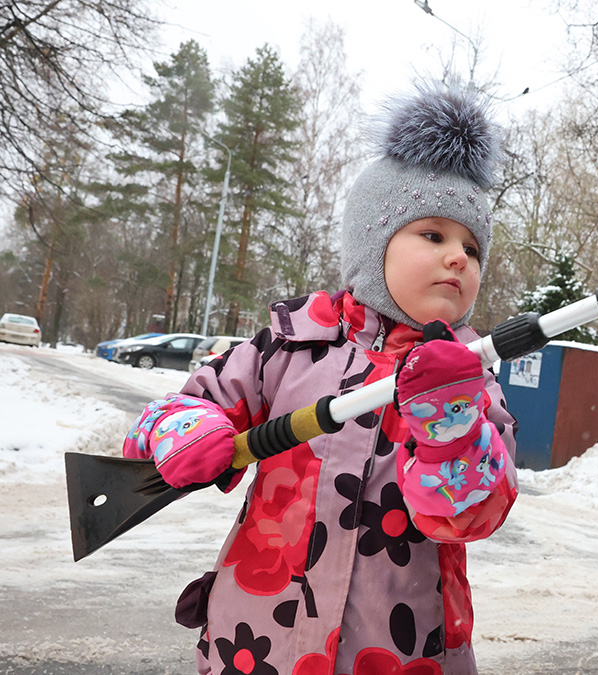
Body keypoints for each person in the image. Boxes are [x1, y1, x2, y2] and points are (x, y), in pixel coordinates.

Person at [122, 84, 519, 674]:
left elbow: (471, 516)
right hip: (259, 637)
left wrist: (450, 423)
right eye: (433, 235)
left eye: (472, 247)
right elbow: (177, 411)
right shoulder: (292, 344)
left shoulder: (470, 384)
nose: (459, 257)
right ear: (371, 245)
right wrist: (184, 431)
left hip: (399, 648)